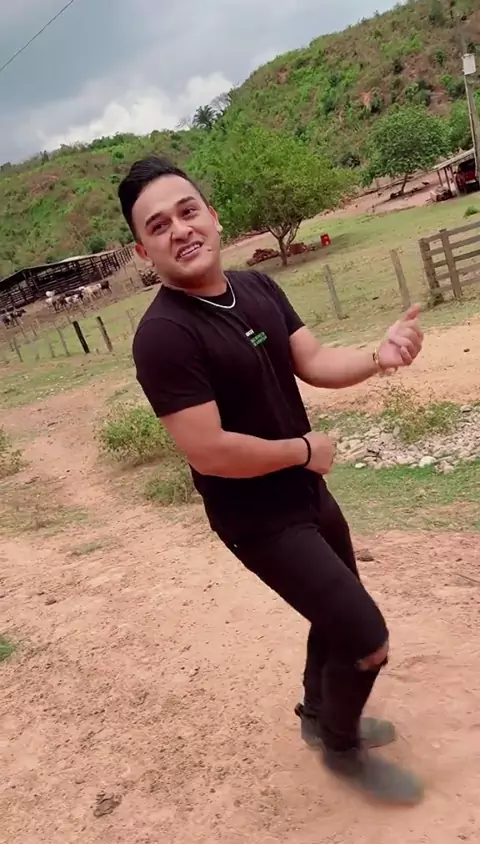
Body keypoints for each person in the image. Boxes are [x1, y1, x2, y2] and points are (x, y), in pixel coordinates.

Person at [119, 155, 424, 804]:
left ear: (212, 216)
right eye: (158, 225)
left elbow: (313, 360)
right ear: (143, 251)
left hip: (307, 493)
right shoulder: (164, 336)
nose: (180, 229)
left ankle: (317, 711)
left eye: (187, 211)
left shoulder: (257, 288)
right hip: (256, 520)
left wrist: (378, 357)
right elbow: (210, 452)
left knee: (335, 609)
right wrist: (303, 449)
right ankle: (341, 747)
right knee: (367, 640)